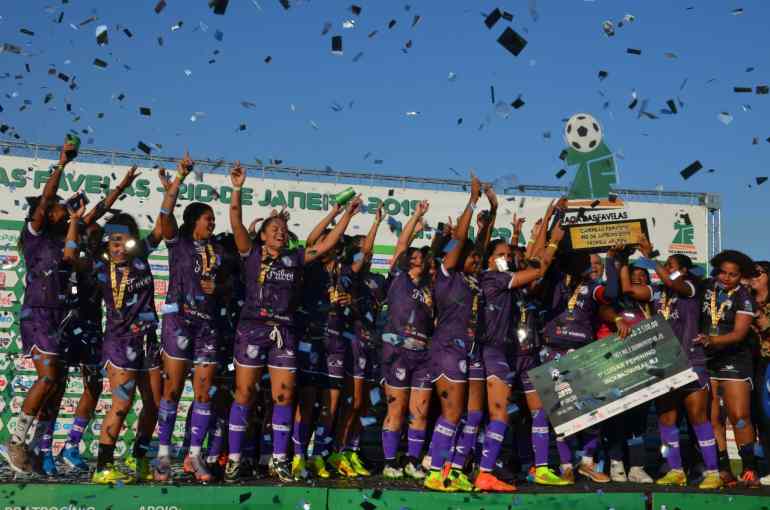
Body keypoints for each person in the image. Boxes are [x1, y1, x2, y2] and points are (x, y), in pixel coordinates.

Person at [226, 162, 362, 482]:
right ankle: (233, 458)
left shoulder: (294, 258)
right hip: (251, 329)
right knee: (244, 394)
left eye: (283, 230)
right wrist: (237, 188)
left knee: (284, 395)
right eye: (274, 229)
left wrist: (347, 216)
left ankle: (279, 460)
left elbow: (326, 245)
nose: (280, 232)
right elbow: (235, 222)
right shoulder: (251, 253)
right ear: (262, 235)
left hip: (284, 331)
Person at [63, 208, 163, 484]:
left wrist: (174, 185)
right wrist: (74, 222)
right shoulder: (98, 265)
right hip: (119, 343)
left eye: (124, 240)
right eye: (114, 240)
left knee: (154, 403)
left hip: (148, 341)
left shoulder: (141, 255)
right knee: (121, 403)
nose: (119, 246)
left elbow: (161, 228)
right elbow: (69, 257)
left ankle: (140, 459)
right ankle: (103, 467)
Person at [473, 213, 564, 491]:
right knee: (498, 414)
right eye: (502, 255)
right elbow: (539, 265)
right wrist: (552, 242)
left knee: (539, 412)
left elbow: (534, 262)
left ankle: (541, 467)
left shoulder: (518, 284)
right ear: (490, 259)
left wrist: (550, 220)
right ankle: (485, 469)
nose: (509, 258)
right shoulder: (495, 280)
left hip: (527, 353)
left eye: (510, 255)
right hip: (502, 354)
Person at [1, 141, 76, 474]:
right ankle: (16, 441)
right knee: (46, 379)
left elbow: (91, 220)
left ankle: (34, 447)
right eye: (56, 207)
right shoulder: (35, 234)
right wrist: (60, 165)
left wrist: (78, 217)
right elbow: (46, 200)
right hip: (37, 315)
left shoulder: (61, 243)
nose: (59, 207)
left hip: (57, 319)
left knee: (56, 384)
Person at [630, 237, 722, 489]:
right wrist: (618, 260)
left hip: (691, 360)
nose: (666, 268)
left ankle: (713, 472)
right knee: (666, 419)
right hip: (665, 363)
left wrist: (652, 257)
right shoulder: (660, 292)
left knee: (697, 417)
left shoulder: (691, 287)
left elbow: (673, 281)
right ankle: (676, 470)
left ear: (683, 270)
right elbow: (631, 290)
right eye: (665, 265)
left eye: (671, 265)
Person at [155, 152, 222, 483]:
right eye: (208, 218)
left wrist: (216, 286)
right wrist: (178, 179)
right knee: (173, 390)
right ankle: (164, 456)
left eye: (213, 218)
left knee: (204, 392)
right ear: (194, 219)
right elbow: (165, 213)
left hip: (207, 326)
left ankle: (194, 456)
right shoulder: (177, 241)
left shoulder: (217, 251)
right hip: (179, 321)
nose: (212, 223)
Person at [424, 175, 493, 493]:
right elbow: (463, 239)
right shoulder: (447, 275)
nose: (475, 259)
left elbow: (479, 244)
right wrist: (472, 201)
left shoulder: (474, 280)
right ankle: (434, 472)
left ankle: (447, 469)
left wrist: (492, 211)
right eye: (469, 256)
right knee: (451, 413)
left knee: (466, 413)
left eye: (477, 258)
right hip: (447, 347)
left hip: (468, 349)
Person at [379, 200, 433, 481]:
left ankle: (413, 460)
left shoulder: (429, 288)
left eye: (420, 257)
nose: (416, 259)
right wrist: (416, 215)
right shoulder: (398, 278)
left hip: (422, 354)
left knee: (420, 411)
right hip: (397, 351)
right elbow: (402, 243)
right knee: (396, 408)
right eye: (412, 256)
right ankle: (390, 462)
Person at [698, 250, 759, 487]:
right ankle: (723, 469)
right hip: (706, 359)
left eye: (732, 275)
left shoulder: (744, 297)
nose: (726, 277)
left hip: (734, 359)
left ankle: (750, 468)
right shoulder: (705, 288)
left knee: (739, 416)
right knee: (712, 417)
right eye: (723, 272)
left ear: (740, 276)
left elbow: (739, 334)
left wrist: (712, 341)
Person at [749, 261, 770, 486]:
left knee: (768, 415)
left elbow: (766, 326)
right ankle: (756, 467)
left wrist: (754, 312)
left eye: (758, 273)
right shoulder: (743, 297)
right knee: (756, 416)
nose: (753, 277)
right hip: (749, 364)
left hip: (769, 362)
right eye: (750, 273)